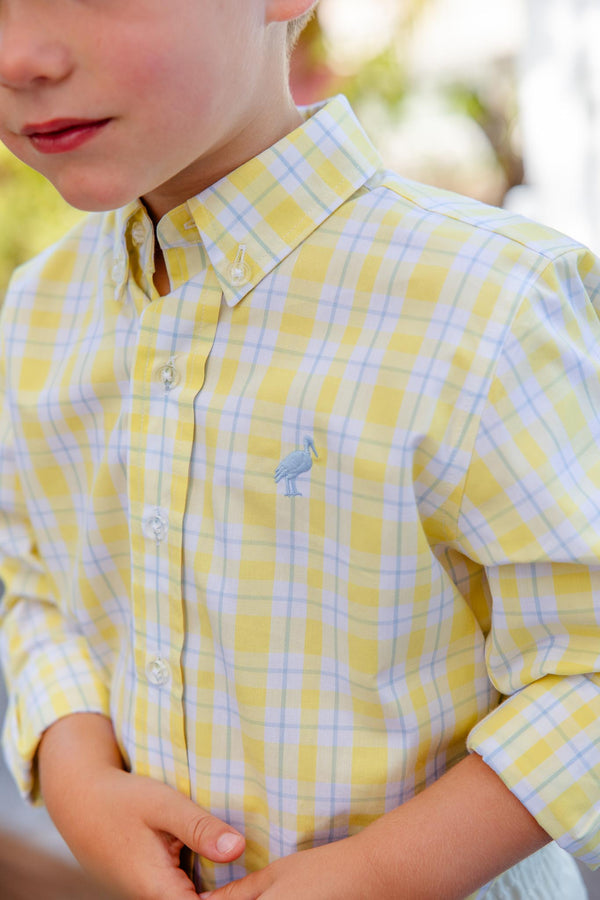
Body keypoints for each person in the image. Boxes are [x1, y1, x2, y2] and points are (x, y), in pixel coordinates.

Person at [0, 1, 598, 898]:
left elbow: (586, 667)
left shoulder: (491, 301)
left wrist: (381, 872)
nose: (18, 57)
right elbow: (36, 579)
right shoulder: (40, 308)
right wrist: (77, 770)